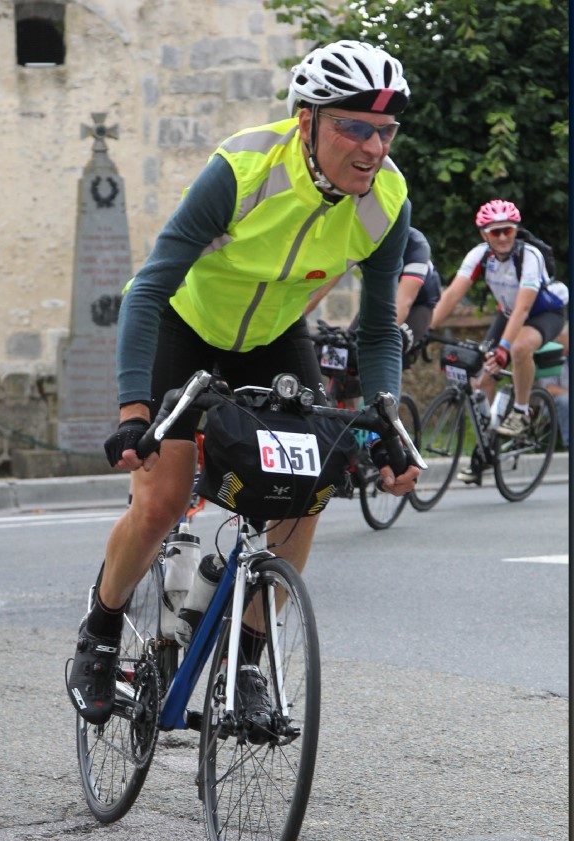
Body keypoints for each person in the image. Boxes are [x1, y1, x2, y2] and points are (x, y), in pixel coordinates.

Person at [66, 40, 420, 726]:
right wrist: (135, 407)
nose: (373, 148)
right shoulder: (243, 167)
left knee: (307, 490)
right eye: (353, 126)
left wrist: (386, 419)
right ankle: (101, 630)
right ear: (307, 122)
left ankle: (248, 663)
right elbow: (147, 289)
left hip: (273, 339)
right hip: (184, 326)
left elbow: (379, 328)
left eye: (385, 131)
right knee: (164, 498)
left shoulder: (388, 201)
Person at [430, 199, 567, 483]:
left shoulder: (529, 256)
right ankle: (486, 448)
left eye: (508, 230)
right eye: (495, 232)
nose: (503, 237)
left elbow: (523, 309)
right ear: (484, 234)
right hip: (507, 314)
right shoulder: (479, 255)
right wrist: (423, 330)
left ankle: (521, 410)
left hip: (543, 313)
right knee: (481, 379)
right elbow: (453, 295)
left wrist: (503, 348)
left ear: (515, 230)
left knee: (518, 349)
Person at [306, 225, 442, 361]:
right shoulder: (361, 237)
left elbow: (403, 303)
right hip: (379, 299)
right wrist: (299, 317)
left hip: (417, 305)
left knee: (381, 350)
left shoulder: (416, 245)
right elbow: (325, 285)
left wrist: (377, 342)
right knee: (347, 351)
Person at [538, 330, 569, 448]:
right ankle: (569, 443)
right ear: (560, 339)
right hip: (552, 404)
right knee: (566, 401)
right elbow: (549, 389)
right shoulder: (552, 359)